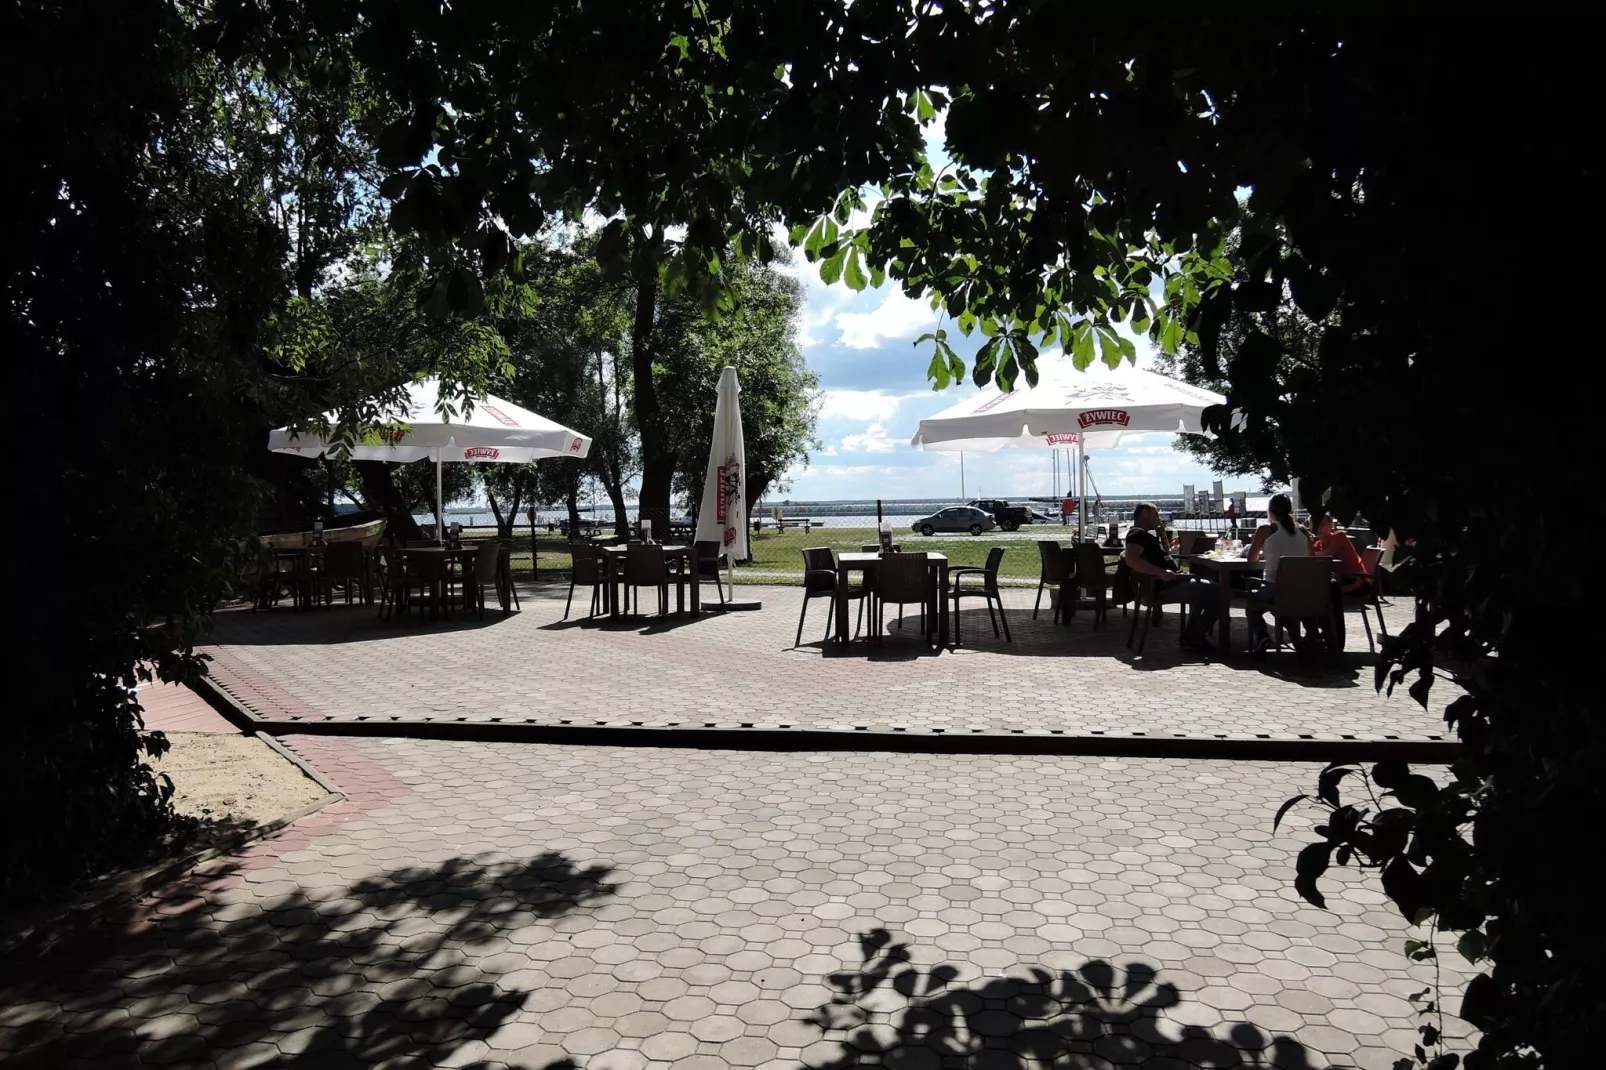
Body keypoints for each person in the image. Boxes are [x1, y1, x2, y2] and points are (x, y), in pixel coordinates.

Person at [1116, 502, 1220, 653]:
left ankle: (1192, 633)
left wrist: (1162, 534)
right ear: (1145, 513)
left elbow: (1165, 554)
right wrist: (1161, 572)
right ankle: (1194, 634)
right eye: (1156, 514)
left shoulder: (1145, 535)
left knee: (1205, 590)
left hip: (1171, 581)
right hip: (1164, 585)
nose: (1159, 518)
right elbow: (1132, 560)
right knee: (1218, 591)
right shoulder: (1136, 534)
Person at [1243, 493, 1312, 657]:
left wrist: (1264, 554)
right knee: (1282, 606)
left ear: (1270, 511)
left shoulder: (1267, 529)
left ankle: (1262, 636)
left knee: (1252, 606)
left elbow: (1251, 558)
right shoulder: (1303, 531)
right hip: (1300, 589)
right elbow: (1311, 559)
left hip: (1275, 588)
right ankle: (1297, 639)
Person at [1312, 512, 1369, 594]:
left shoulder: (1339, 536)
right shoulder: (1317, 544)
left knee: (1322, 590)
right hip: (1340, 580)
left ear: (1330, 525)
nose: (1318, 528)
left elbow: (1328, 553)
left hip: (1357, 582)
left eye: (1322, 525)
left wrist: (1308, 550)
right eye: (1315, 525)